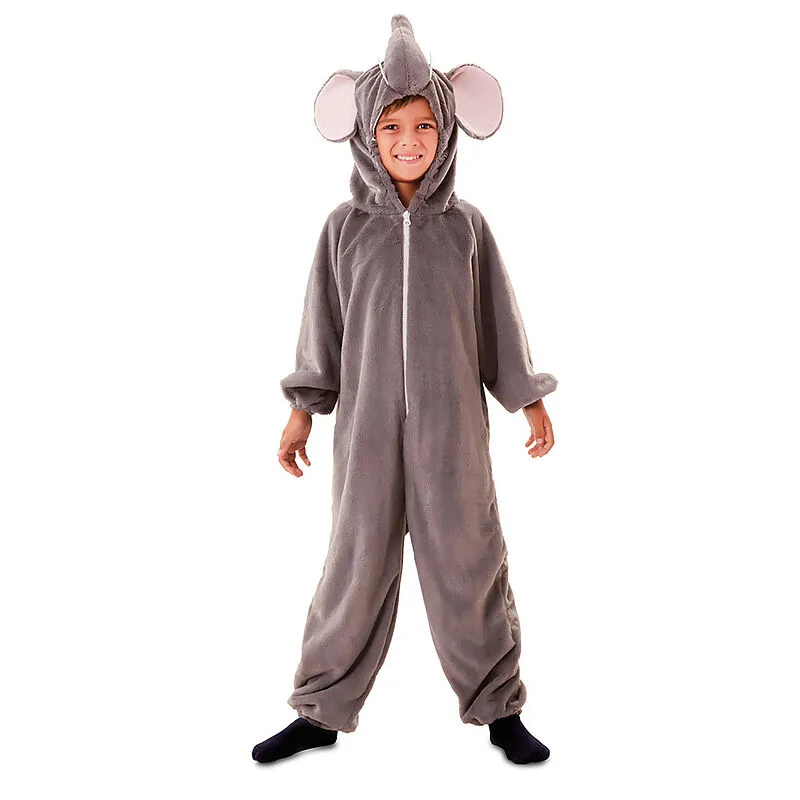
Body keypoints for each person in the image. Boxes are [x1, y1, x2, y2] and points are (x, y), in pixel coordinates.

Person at [252, 15, 557, 766]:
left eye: (424, 125)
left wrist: (528, 398)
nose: (410, 140)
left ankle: (499, 709)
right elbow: (321, 328)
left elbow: (497, 321)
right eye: (392, 127)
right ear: (365, 134)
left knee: (470, 561)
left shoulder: (467, 229)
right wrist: (301, 414)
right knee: (354, 563)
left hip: (453, 431)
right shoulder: (344, 229)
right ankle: (321, 710)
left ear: (449, 130)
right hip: (364, 431)